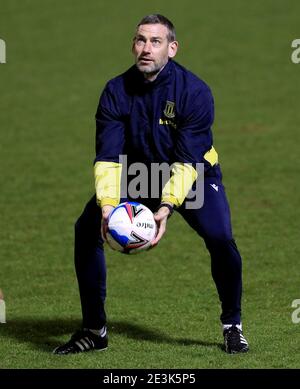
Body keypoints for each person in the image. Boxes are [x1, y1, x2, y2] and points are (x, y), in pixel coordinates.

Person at [53, 14, 249, 355]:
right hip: (138, 175)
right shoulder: (115, 91)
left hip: (193, 175)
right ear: (133, 45)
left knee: (220, 237)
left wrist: (165, 207)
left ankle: (232, 325)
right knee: (86, 230)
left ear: (171, 49)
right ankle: (94, 330)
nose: (147, 48)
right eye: (141, 40)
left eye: (156, 42)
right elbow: (108, 157)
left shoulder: (194, 92)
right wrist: (108, 205)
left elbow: (189, 160)